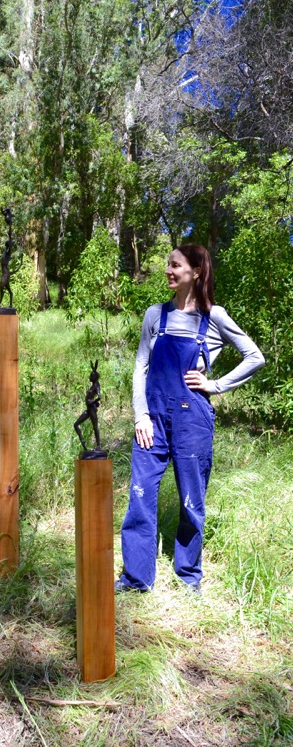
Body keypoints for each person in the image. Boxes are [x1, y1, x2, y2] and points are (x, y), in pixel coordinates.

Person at [116, 245, 264, 594]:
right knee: (140, 495)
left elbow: (254, 356)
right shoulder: (155, 314)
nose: (168, 270)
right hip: (152, 420)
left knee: (191, 499)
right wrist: (140, 416)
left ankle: (188, 577)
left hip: (192, 419)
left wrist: (215, 385)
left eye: (175, 265)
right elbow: (140, 368)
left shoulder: (214, 317)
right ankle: (136, 578)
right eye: (168, 265)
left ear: (196, 271)